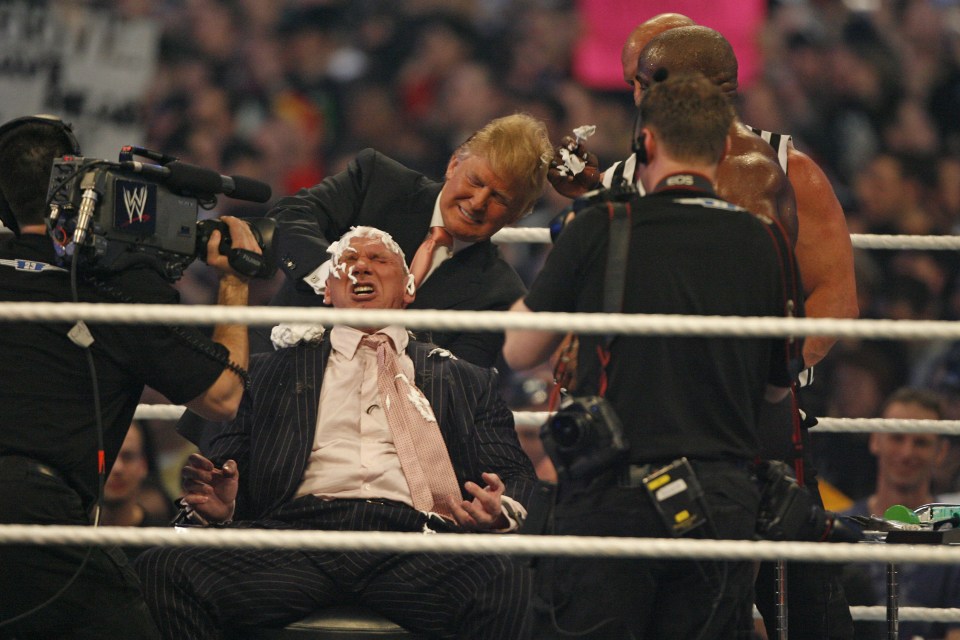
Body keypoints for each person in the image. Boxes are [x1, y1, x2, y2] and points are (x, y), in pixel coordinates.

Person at [504, 73, 800, 639]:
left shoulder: (602, 224)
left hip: (613, 496)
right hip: (721, 501)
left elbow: (520, 351)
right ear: (722, 149)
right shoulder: (765, 240)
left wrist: (568, 265)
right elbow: (776, 389)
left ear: (646, 144)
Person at [136, 226, 538, 640]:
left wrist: (499, 511)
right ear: (328, 291)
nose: (361, 267)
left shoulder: (465, 379)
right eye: (346, 262)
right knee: (163, 569)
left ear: (409, 288)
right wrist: (223, 506)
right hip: (296, 538)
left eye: (378, 260)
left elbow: (515, 473)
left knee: (507, 581)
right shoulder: (268, 371)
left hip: (415, 540)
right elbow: (226, 465)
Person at [0, 115, 259, 638]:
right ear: (80, 186)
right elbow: (224, 393)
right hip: (31, 515)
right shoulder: (111, 282)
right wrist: (233, 280)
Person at [551, 17, 858, 371]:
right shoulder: (619, 176)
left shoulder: (790, 169)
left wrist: (770, 377)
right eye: (632, 83)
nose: (637, 97)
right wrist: (588, 198)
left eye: (646, 80)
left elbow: (836, 297)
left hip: (747, 395)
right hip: (645, 392)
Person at [265, 112, 552, 367]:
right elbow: (290, 215)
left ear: (517, 215)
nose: (478, 202)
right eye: (476, 182)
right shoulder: (378, 181)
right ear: (454, 164)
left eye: (499, 198)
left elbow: (458, 387)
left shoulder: (499, 296)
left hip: (391, 419)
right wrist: (330, 277)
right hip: (280, 373)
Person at [840, 387, 960, 640]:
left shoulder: (956, 531)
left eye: (921, 442)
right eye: (897, 438)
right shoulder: (839, 527)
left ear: (941, 452)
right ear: (875, 440)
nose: (907, 453)